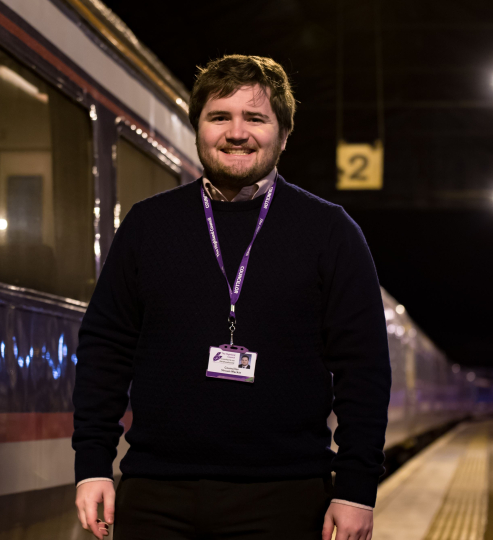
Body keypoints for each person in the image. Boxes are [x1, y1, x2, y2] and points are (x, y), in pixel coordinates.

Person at [73, 55, 391, 540]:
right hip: (156, 494)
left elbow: (363, 370)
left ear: (283, 135)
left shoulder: (331, 232)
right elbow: (105, 348)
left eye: (256, 118)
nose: (236, 133)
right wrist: (93, 463)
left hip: (284, 496)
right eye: (219, 117)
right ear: (197, 128)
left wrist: (355, 489)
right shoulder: (148, 224)